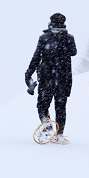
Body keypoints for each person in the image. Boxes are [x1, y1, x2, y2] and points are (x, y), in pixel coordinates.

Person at [25, 13, 77, 144]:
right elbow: (73, 52)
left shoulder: (44, 38)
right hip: (63, 78)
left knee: (42, 105)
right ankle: (59, 135)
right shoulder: (69, 38)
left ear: (50, 22)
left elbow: (36, 57)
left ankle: (47, 125)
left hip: (46, 77)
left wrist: (29, 72)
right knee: (61, 107)